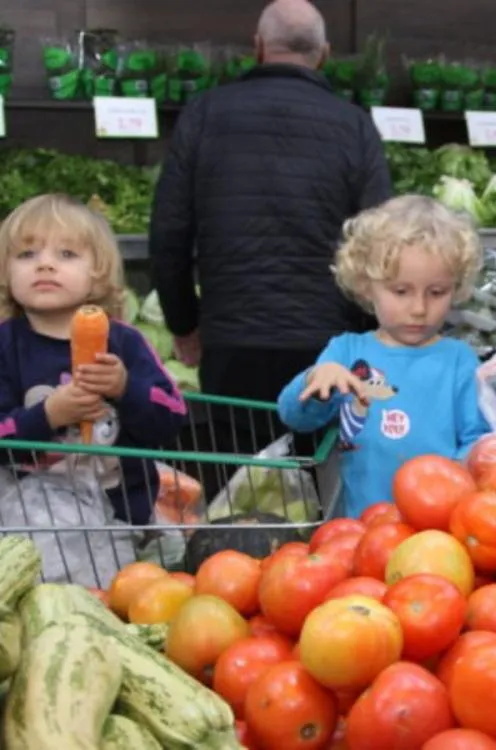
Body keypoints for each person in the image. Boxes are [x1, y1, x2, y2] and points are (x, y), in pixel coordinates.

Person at [148, 0, 392, 484]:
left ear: (258, 48)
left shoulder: (204, 114)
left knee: (236, 484)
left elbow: (170, 231)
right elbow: (379, 239)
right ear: (323, 54)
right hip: (325, 344)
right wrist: (369, 330)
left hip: (231, 337)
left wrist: (183, 323)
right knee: (319, 478)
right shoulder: (354, 125)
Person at [277, 195, 491, 518]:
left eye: (437, 292)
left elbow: (479, 443)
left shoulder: (460, 361)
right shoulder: (345, 353)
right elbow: (295, 416)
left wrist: (451, 489)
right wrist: (315, 381)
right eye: (400, 291)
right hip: (363, 533)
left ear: (456, 288)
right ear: (366, 285)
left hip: (439, 531)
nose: (419, 308)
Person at [0, 194, 187, 525]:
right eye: (27, 254)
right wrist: (48, 415)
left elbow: (171, 417)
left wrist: (126, 388)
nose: (45, 264)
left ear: (98, 273)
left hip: (122, 519)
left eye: (67, 254)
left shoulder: (124, 343)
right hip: (26, 523)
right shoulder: (5, 346)